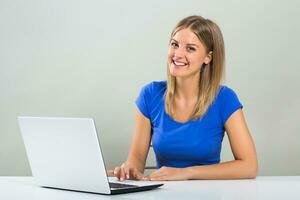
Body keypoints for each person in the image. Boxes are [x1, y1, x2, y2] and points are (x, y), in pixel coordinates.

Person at [109, 15, 258, 181]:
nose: (178, 54)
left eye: (190, 48)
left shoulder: (224, 99)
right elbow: (136, 160)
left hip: (210, 192)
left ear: (208, 57)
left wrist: (186, 173)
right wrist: (129, 170)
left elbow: (249, 166)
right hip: (165, 192)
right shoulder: (150, 95)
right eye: (174, 44)